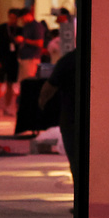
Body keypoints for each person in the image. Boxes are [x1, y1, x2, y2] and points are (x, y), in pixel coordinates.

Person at [39, 48, 78, 198]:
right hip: (98, 118)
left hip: (71, 118)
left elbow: (49, 88)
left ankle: (80, 201)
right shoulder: (101, 58)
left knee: (75, 161)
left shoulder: (68, 60)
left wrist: (42, 104)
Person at [0, 8, 21, 116]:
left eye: (15, 18)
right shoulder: (1, 28)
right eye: (11, 17)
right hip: (1, 58)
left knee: (10, 84)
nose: (13, 20)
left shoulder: (20, 30)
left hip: (13, 60)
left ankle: (7, 107)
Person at [16, 7, 46, 80]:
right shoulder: (26, 26)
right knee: (23, 81)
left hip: (31, 58)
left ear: (27, 15)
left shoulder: (36, 26)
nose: (22, 21)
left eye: (22, 18)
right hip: (24, 57)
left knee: (29, 79)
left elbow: (39, 43)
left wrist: (24, 40)